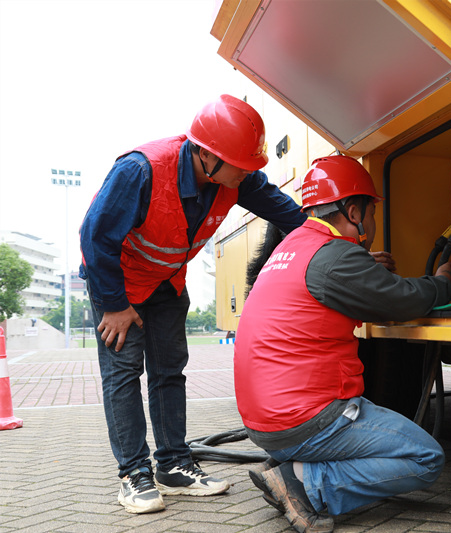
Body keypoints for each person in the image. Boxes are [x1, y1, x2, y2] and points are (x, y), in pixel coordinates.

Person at [79, 94, 307, 514]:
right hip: (119, 286)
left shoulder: (235, 176)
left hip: (166, 284)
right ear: (208, 155)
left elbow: (290, 215)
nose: (250, 171)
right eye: (242, 163)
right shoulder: (140, 170)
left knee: (169, 372)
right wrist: (114, 305)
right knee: (124, 374)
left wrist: (336, 244)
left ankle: (173, 466)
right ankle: (133, 474)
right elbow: (95, 237)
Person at [234, 155, 451, 533]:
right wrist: (444, 279)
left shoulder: (292, 248)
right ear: (353, 211)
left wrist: (364, 269)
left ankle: (298, 470)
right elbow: (405, 299)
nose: (372, 221)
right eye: (371, 211)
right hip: (306, 420)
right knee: (425, 458)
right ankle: (303, 483)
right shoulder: (335, 256)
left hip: (266, 422)